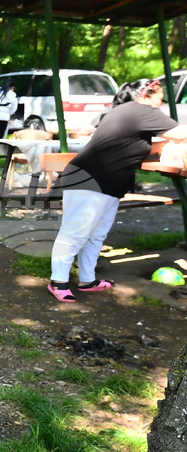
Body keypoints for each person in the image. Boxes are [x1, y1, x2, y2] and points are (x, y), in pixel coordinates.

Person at [48, 78, 187, 301]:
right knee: (75, 233)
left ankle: (87, 280)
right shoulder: (141, 110)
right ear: (145, 95)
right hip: (89, 181)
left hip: (105, 184)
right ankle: (58, 282)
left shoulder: (127, 112)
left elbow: (137, 146)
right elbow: (180, 133)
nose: (160, 104)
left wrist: (163, 146)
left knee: (96, 235)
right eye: (159, 98)